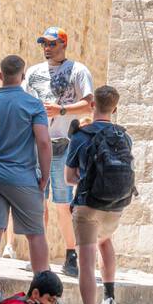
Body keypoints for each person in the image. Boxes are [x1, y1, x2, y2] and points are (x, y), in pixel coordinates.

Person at [64, 85, 135, 304]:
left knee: (85, 262)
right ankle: (110, 298)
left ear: (92, 105)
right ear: (114, 108)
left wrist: (86, 177)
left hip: (88, 205)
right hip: (116, 206)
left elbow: (70, 178)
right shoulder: (124, 137)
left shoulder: (81, 136)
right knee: (105, 241)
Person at [24, 27, 94, 277]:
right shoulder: (32, 73)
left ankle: (70, 254)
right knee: (36, 201)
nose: (47, 47)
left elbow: (89, 104)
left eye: (52, 43)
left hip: (63, 144)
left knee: (63, 203)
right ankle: (38, 255)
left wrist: (60, 110)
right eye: (44, 43)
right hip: (34, 143)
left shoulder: (78, 70)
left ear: (63, 44)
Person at [0, 55, 51, 302]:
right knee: (35, 234)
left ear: (1, 75)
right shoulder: (33, 105)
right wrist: (45, 175)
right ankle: (44, 293)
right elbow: (43, 142)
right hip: (23, 177)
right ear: (22, 77)